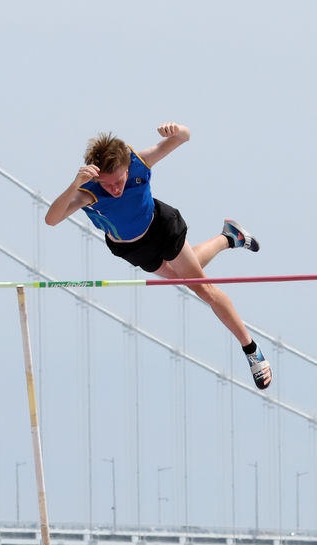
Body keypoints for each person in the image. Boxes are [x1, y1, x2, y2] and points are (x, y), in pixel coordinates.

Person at [45, 123, 272, 391]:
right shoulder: (88, 192)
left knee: (203, 290)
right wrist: (74, 184)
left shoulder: (139, 163)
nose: (115, 189)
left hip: (162, 228)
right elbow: (52, 219)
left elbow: (184, 137)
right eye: (108, 185)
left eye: (119, 181)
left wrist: (176, 130)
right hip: (131, 248)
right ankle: (229, 238)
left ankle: (252, 349)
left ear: (127, 168)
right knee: (182, 277)